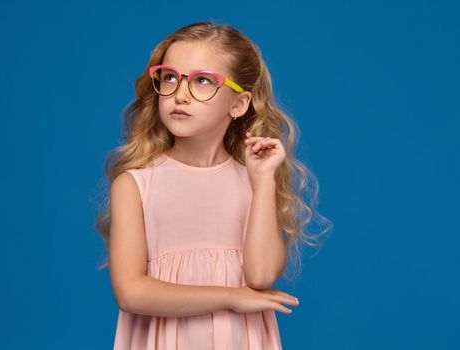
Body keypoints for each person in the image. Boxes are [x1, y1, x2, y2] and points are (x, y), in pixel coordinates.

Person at [95, 21, 332, 350]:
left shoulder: (252, 182)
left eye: (202, 81)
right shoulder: (135, 185)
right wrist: (232, 298)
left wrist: (263, 182)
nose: (180, 93)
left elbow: (261, 276)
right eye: (170, 77)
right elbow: (131, 293)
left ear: (238, 104)